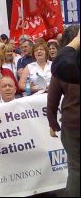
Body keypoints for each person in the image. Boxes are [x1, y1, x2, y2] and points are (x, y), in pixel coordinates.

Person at [47, 27, 80, 197]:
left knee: (76, 168)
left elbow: (52, 99)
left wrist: (53, 124)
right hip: (73, 123)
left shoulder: (62, 66)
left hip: (73, 124)